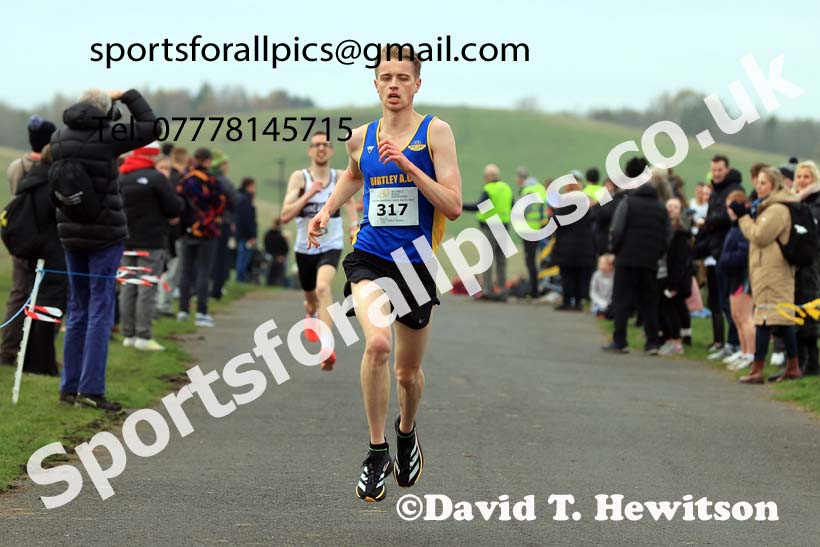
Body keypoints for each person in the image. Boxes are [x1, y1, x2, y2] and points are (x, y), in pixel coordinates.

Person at [307, 45, 462, 502]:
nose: (393, 84)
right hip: (370, 256)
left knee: (407, 374)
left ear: (417, 84)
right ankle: (376, 453)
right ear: (375, 84)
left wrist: (409, 165)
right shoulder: (361, 137)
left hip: (415, 265)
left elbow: (452, 206)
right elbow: (355, 174)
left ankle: (406, 432)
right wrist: (327, 210)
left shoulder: (436, 133)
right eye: (385, 77)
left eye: (402, 77)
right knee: (375, 344)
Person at [51, 88, 158, 411]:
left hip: (70, 231)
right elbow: (152, 127)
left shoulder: (57, 137)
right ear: (106, 111)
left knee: (78, 308)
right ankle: (91, 390)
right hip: (105, 232)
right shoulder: (108, 136)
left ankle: (69, 388)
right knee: (100, 308)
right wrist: (129, 95)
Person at [280, 131, 358, 370]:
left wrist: (354, 225)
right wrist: (310, 194)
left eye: (325, 145)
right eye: (316, 145)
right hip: (304, 249)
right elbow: (285, 215)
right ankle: (311, 312)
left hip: (330, 246)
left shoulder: (338, 177)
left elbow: (349, 201)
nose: (321, 149)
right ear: (310, 151)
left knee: (323, 287)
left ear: (332, 150)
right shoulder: (300, 178)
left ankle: (326, 348)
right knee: (311, 298)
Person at [730, 167, 802, 383]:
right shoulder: (768, 207)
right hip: (767, 270)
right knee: (780, 319)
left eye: (763, 183)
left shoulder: (777, 210)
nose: (758, 187)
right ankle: (793, 366)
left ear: (775, 185)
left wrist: (743, 218)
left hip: (773, 272)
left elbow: (760, 236)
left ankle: (758, 368)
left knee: (765, 319)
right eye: (758, 182)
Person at [3, 144, 67, 376]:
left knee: (29, 303)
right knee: (46, 308)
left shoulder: (30, 181)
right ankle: (41, 364)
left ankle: (26, 356)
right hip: (49, 254)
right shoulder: (50, 187)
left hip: (30, 251)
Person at [118, 141, 183, 351]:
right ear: (152, 156)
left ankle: (128, 334)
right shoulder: (156, 178)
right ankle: (143, 336)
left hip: (125, 240)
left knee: (128, 286)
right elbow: (174, 207)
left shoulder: (121, 176)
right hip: (151, 241)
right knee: (146, 287)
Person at [602, 157, 671, 355]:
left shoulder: (628, 203)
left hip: (626, 259)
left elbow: (617, 229)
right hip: (650, 261)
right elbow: (667, 235)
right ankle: (652, 343)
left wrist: (614, 250)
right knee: (649, 302)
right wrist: (658, 253)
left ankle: (620, 340)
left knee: (622, 300)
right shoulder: (660, 208)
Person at [698, 155, 742, 360]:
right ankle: (730, 343)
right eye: (713, 170)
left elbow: (728, 216)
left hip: (729, 250)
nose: (716, 174)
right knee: (723, 302)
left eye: (719, 170)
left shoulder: (733, 190)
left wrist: (708, 222)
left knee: (731, 302)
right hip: (716, 251)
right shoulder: (715, 190)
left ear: (727, 169)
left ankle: (736, 344)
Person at [176, 147, 227, 328]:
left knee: (185, 271)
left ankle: (183, 309)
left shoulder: (185, 180)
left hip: (187, 230)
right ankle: (201, 312)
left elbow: (178, 202)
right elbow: (221, 203)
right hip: (207, 230)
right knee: (204, 271)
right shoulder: (212, 180)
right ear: (207, 161)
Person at [462, 164, 513, 300]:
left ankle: (488, 290)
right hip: (504, 227)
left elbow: (479, 206)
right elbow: (512, 206)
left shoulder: (489, 189)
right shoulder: (507, 188)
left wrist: (460, 205)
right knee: (501, 260)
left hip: (490, 227)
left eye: (486, 176)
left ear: (490, 177)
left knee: (487, 259)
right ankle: (502, 290)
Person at [789, 161, 820, 376]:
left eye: (806, 177)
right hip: (794, 265)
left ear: (814, 179)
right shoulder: (793, 202)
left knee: (809, 312)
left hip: (812, 265)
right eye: (799, 176)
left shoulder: (816, 204)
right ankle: (797, 362)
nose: (801, 180)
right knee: (794, 312)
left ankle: (810, 364)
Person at [719, 190, 754, 371]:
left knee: (745, 317)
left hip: (742, 276)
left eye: (734, 206)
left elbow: (744, 252)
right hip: (732, 276)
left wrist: (726, 260)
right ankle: (743, 351)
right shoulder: (734, 226)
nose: (730, 210)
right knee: (736, 317)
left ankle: (751, 354)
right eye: (728, 207)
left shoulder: (744, 226)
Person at [553, 181, 596, 310]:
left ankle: (567, 301)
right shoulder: (587, 206)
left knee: (567, 275)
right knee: (580, 275)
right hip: (584, 245)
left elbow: (555, 221)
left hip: (566, 245)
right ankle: (578, 302)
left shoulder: (564, 206)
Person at [658, 197, 692, 356]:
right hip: (660, 273)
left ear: (680, 211)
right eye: (669, 206)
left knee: (672, 309)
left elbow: (681, 261)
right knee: (663, 308)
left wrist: (673, 283)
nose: (671, 209)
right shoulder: (661, 228)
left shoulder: (681, 234)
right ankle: (668, 339)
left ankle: (677, 342)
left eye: (675, 207)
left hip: (674, 278)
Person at [209, 150, 238, 300]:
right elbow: (235, 200)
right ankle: (216, 290)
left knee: (207, 258)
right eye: (225, 163)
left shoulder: (204, 179)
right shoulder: (223, 182)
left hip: (206, 222)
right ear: (220, 165)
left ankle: (204, 289)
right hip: (223, 222)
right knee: (220, 258)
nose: (227, 167)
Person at [514, 166, 546, 298]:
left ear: (521, 178)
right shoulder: (540, 188)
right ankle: (535, 288)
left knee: (530, 261)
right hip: (539, 228)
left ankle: (534, 291)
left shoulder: (527, 190)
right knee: (536, 260)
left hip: (528, 230)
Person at [235, 177, 258, 282]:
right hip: (246, 235)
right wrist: (251, 235)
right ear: (248, 186)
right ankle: (240, 279)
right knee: (244, 257)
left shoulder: (240, 198)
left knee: (242, 256)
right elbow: (248, 219)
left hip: (241, 233)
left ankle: (240, 278)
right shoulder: (246, 200)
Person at [264, 218, 289, 286]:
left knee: (281, 264)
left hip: (280, 256)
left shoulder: (280, 235)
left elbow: (285, 248)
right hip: (271, 255)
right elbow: (267, 247)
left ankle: (279, 282)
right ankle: (270, 282)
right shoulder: (269, 234)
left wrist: (281, 256)